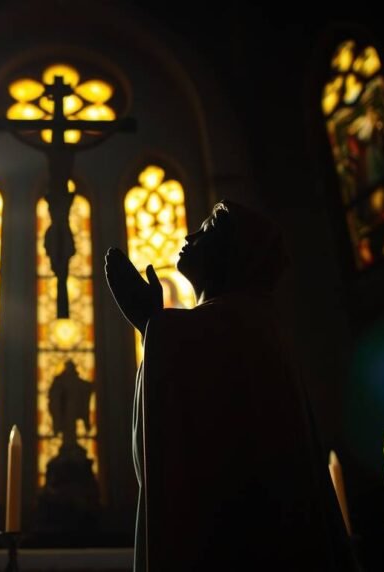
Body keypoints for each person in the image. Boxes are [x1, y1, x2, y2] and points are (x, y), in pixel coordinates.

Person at [105, 201, 357, 571]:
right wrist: (156, 329)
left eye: (207, 230)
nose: (190, 236)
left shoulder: (243, 324)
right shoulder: (246, 322)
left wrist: (153, 327)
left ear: (237, 253)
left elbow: (193, 457)